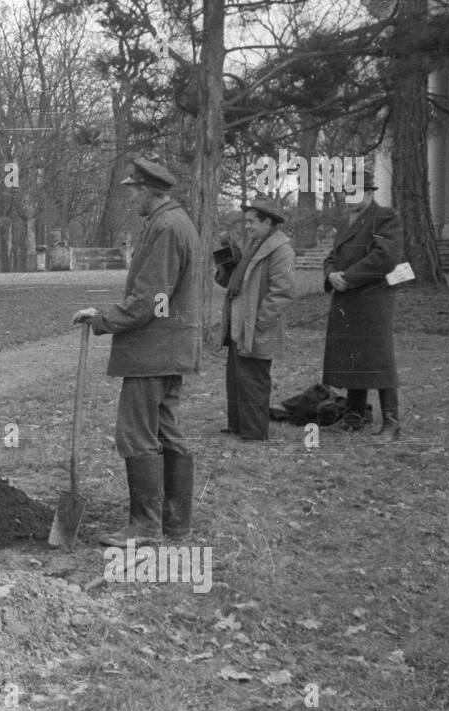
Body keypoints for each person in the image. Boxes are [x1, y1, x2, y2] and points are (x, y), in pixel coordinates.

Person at [73, 158, 200, 547]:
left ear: (147, 190)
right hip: (169, 348)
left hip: (154, 350)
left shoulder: (165, 227)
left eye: (133, 192)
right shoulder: (175, 223)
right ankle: (176, 524)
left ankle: (145, 527)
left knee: (137, 433)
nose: (131, 200)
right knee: (167, 431)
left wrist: (103, 318)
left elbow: (149, 299)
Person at [321, 175, 403, 441]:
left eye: (354, 192)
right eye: (346, 192)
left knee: (379, 359)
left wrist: (349, 277)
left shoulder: (386, 216)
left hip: (373, 299)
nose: (349, 198)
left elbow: (385, 258)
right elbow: (332, 257)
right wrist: (331, 275)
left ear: (369, 193)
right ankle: (355, 416)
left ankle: (391, 422)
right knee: (353, 357)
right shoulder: (346, 221)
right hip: (347, 300)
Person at [213, 199, 296, 441]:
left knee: (254, 379)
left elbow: (283, 292)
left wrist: (259, 322)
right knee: (237, 377)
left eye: (251, 221)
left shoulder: (282, 250)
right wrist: (226, 265)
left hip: (257, 327)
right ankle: (238, 425)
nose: (247, 226)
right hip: (239, 325)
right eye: (246, 221)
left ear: (268, 222)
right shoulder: (253, 245)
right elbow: (232, 282)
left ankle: (254, 431)